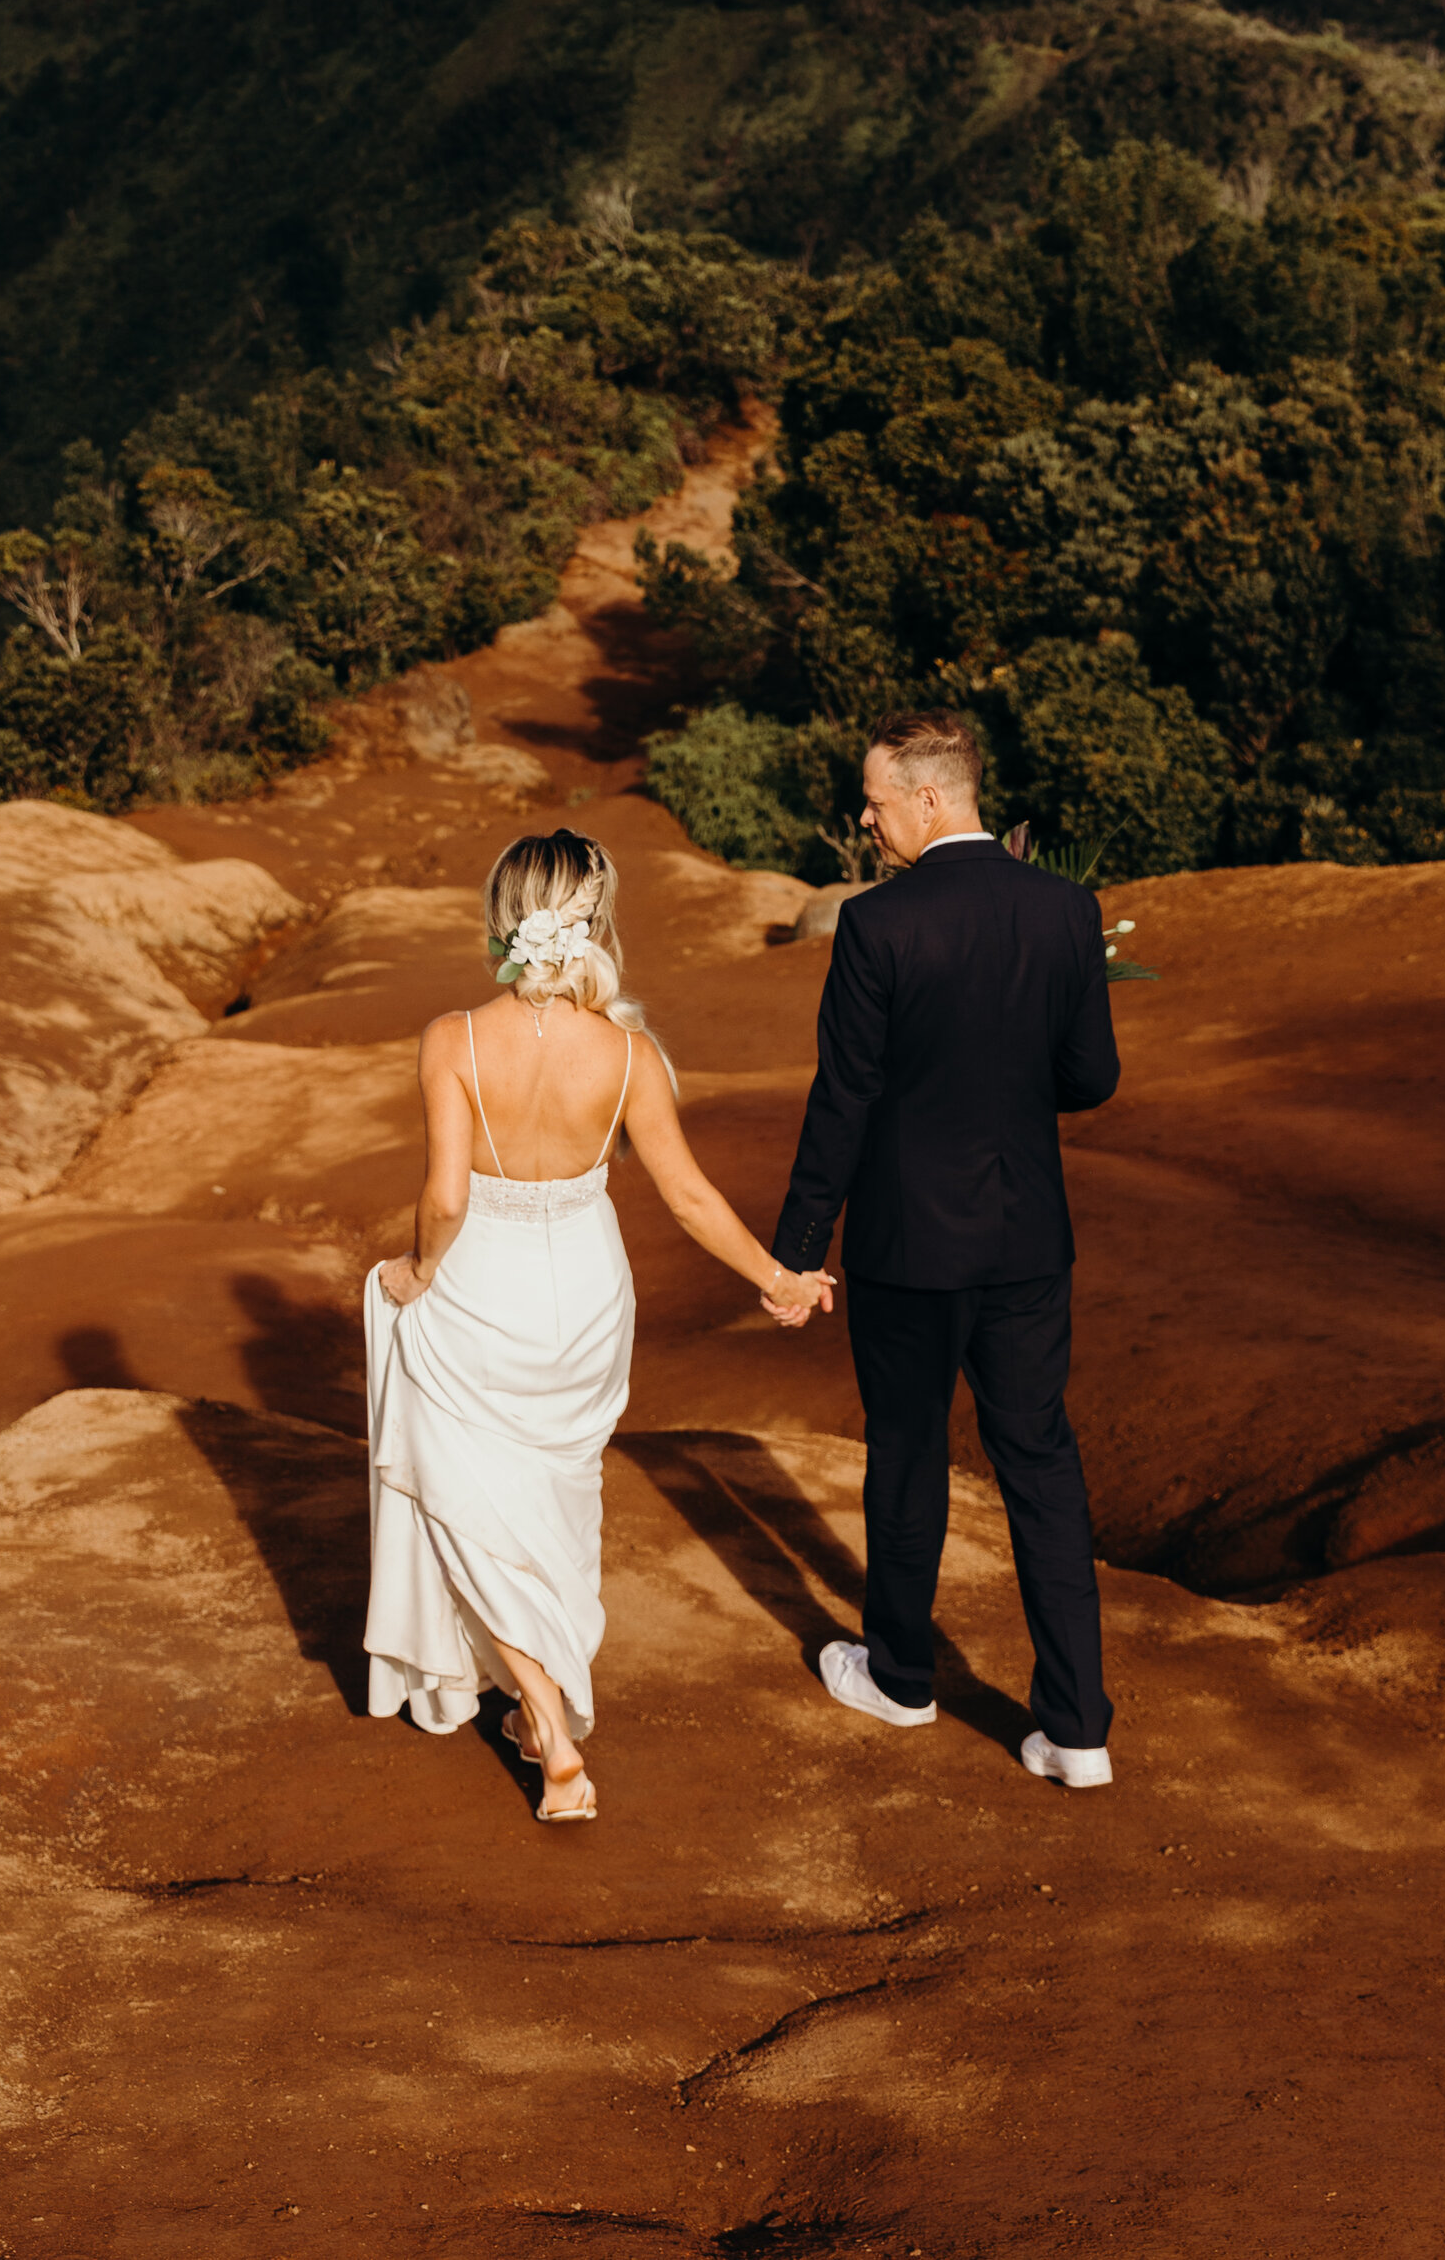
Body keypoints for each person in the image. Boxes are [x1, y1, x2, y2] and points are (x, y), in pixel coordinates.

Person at [366, 827, 830, 1824]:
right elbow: (691, 1198)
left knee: (473, 1508)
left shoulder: (451, 1038)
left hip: (480, 1282)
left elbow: (445, 1198)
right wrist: (778, 1278)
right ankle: (541, 1708)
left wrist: (417, 1269)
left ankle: (550, 1731)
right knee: (555, 1501)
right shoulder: (629, 1055)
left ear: (503, 920)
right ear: (594, 919)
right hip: (581, 1294)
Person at [770, 710, 1122, 1787]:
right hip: (1025, 1240)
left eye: (874, 799)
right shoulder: (1065, 911)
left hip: (906, 1243)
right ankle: (1076, 1733)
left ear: (930, 798)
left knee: (909, 1455)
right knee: (1041, 1466)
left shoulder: (874, 927)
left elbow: (844, 1101)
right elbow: (1091, 1078)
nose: (865, 818)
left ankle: (903, 1681)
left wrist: (794, 1252)